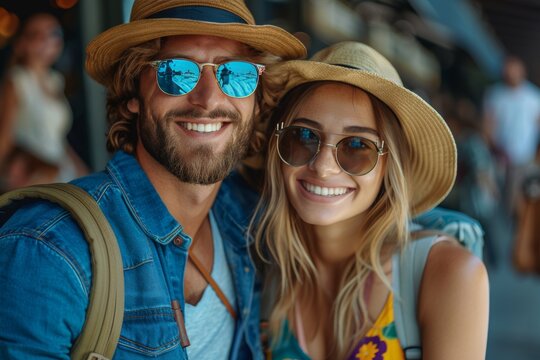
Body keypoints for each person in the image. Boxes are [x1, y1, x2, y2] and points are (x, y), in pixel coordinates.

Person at [0, 0, 305, 359]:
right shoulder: (49, 250)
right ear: (133, 92)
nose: (207, 100)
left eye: (235, 74)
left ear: (255, 99)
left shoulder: (250, 219)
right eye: (176, 72)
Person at [253, 42, 489, 359]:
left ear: (390, 165)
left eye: (356, 145)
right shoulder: (264, 271)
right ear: (277, 147)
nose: (322, 167)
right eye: (304, 136)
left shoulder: (447, 275)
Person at [0, 13, 88, 192]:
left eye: (53, 33)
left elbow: (58, 137)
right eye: (36, 34)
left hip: (62, 170)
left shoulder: (55, 80)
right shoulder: (17, 80)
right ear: (22, 44)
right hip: (35, 175)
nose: (46, 39)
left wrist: (82, 171)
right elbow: (6, 136)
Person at [483, 56, 540, 214]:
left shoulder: (534, 97)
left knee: (517, 202)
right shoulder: (495, 95)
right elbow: (488, 124)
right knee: (496, 201)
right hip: (499, 158)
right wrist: (491, 148)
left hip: (523, 159)